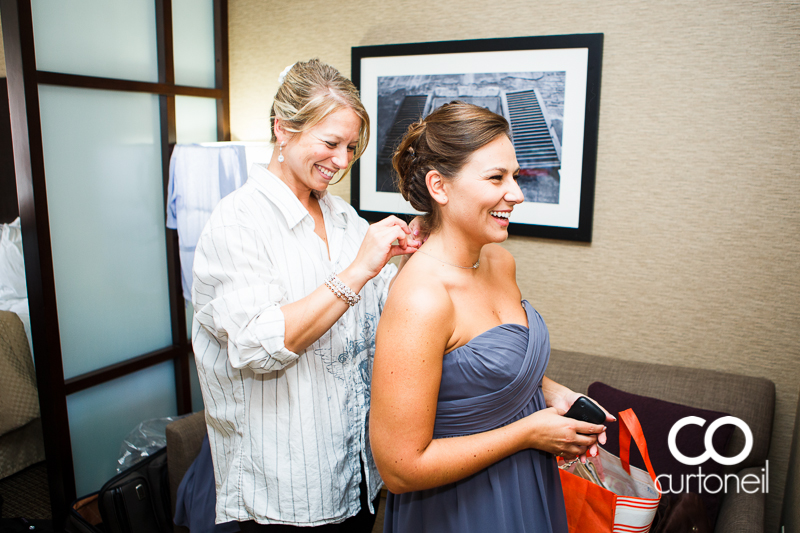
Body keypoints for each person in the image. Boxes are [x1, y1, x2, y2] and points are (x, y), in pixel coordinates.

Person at [191, 59, 421, 532]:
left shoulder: (343, 218)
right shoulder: (238, 223)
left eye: (351, 147)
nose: (342, 161)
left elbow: (378, 317)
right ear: (283, 130)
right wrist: (358, 270)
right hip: (287, 486)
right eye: (331, 143)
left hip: (353, 469)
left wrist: (405, 260)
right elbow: (258, 346)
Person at [369, 102, 614, 532]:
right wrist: (528, 433)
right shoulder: (420, 298)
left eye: (515, 176)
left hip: (527, 483)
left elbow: (479, 369)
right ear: (439, 187)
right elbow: (400, 469)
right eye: (496, 178)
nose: (517, 193)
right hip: (458, 509)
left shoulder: (500, 263)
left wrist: (551, 393)